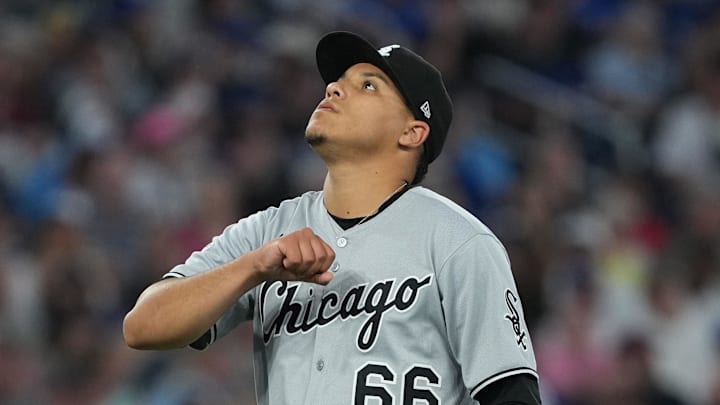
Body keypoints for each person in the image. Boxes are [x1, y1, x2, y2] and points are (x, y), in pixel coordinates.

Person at [123, 31, 541, 404]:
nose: (334, 89)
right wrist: (254, 267)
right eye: (338, 82)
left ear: (412, 132)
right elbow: (143, 327)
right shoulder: (268, 234)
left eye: (368, 85)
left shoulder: (458, 241)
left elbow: (512, 393)